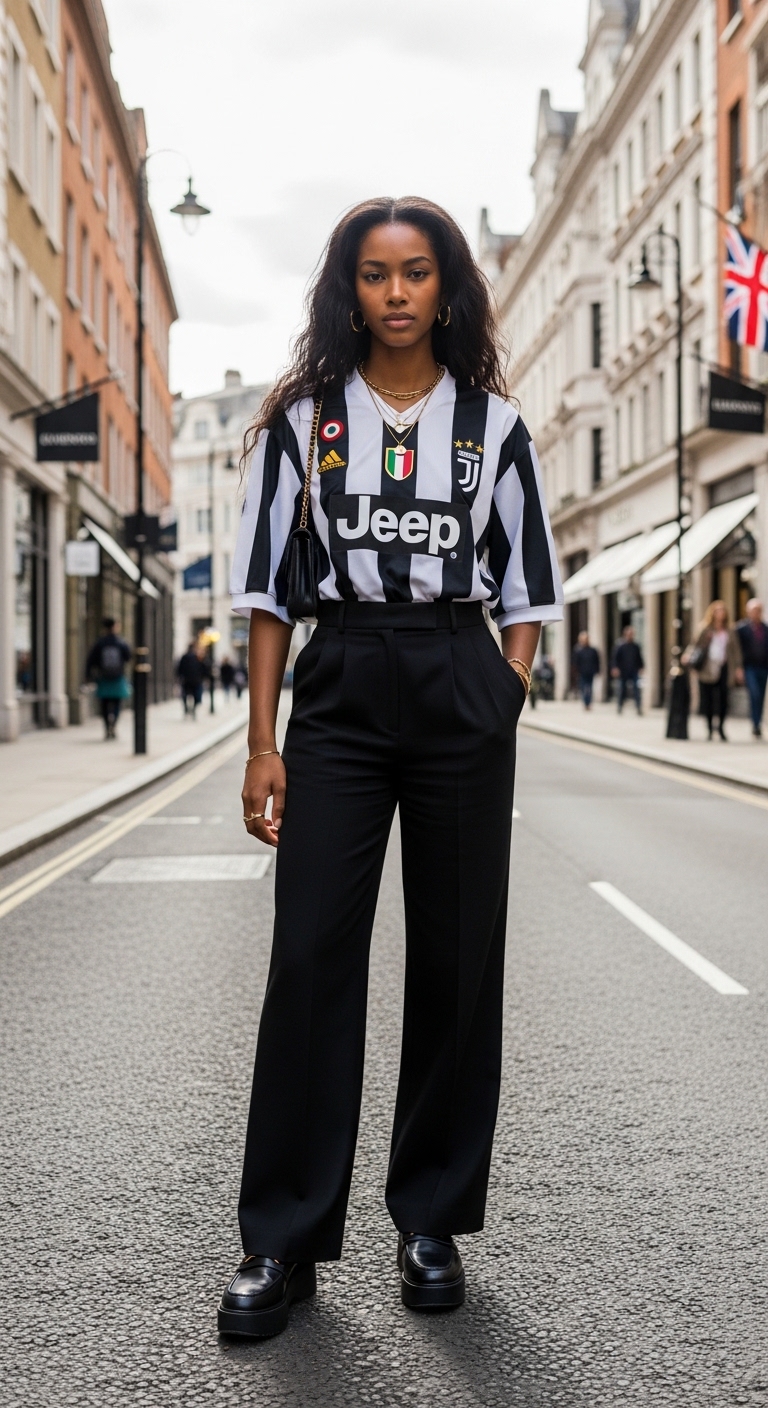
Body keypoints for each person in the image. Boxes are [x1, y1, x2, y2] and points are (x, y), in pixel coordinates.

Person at [218, 196, 563, 1339]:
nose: (399, 293)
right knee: (312, 950)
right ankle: (284, 1237)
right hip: (344, 685)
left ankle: (430, 1218)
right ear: (349, 291)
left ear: (447, 289)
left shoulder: (496, 428)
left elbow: (529, 592)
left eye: (418, 272)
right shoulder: (304, 423)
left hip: (458, 673)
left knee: (459, 956)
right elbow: (270, 595)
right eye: (376, 274)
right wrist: (265, 743)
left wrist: (502, 693)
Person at [689, 600, 740, 741]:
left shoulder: (730, 630)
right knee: (708, 700)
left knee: (723, 699)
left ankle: (721, 728)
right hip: (707, 669)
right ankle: (710, 728)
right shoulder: (705, 629)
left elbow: (736, 651)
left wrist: (738, 668)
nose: (720, 613)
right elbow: (695, 646)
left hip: (724, 668)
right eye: (717, 611)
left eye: (722, 611)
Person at [85, 617, 131, 740]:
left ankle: (106, 726)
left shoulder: (100, 642)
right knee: (116, 703)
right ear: (115, 626)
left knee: (104, 704)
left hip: (103, 677)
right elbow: (128, 657)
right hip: (117, 677)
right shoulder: (120, 642)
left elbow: (91, 660)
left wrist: (88, 675)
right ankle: (114, 724)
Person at [736, 598, 768, 739]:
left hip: (763, 667)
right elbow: (736, 650)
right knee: (754, 694)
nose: (757, 613)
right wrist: (738, 668)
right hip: (749, 667)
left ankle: (758, 723)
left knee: (760, 696)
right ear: (748, 612)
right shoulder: (741, 629)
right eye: (754, 610)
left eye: (759, 610)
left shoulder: (766, 629)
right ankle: (755, 723)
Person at [611, 626, 644, 714]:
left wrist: (641, 667)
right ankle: (620, 706)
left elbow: (639, 657)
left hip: (634, 670)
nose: (631, 636)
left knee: (636, 689)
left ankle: (638, 707)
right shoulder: (620, 645)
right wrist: (615, 668)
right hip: (623, 671)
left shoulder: (635, 646)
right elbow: (615, 658)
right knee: (622, 689)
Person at [176, 642, 208, 718]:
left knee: (185, 695)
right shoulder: (198, 657)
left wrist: (180, 677)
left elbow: (179, 669)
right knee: (197, 697)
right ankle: (192, 709)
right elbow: (204, 669)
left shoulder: (185, 657)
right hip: (196, 680)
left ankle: (187, 708)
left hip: (187, 680)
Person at [572, 631, 600, 710]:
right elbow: (575, 662)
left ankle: (589, 703)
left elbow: (596, 661)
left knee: (590, 688)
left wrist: (597, 670)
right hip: (582, 672)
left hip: (590, 672)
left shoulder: (593, 650)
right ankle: (585, 702)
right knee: (583, 688)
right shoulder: (578, 650)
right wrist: (575, 671)